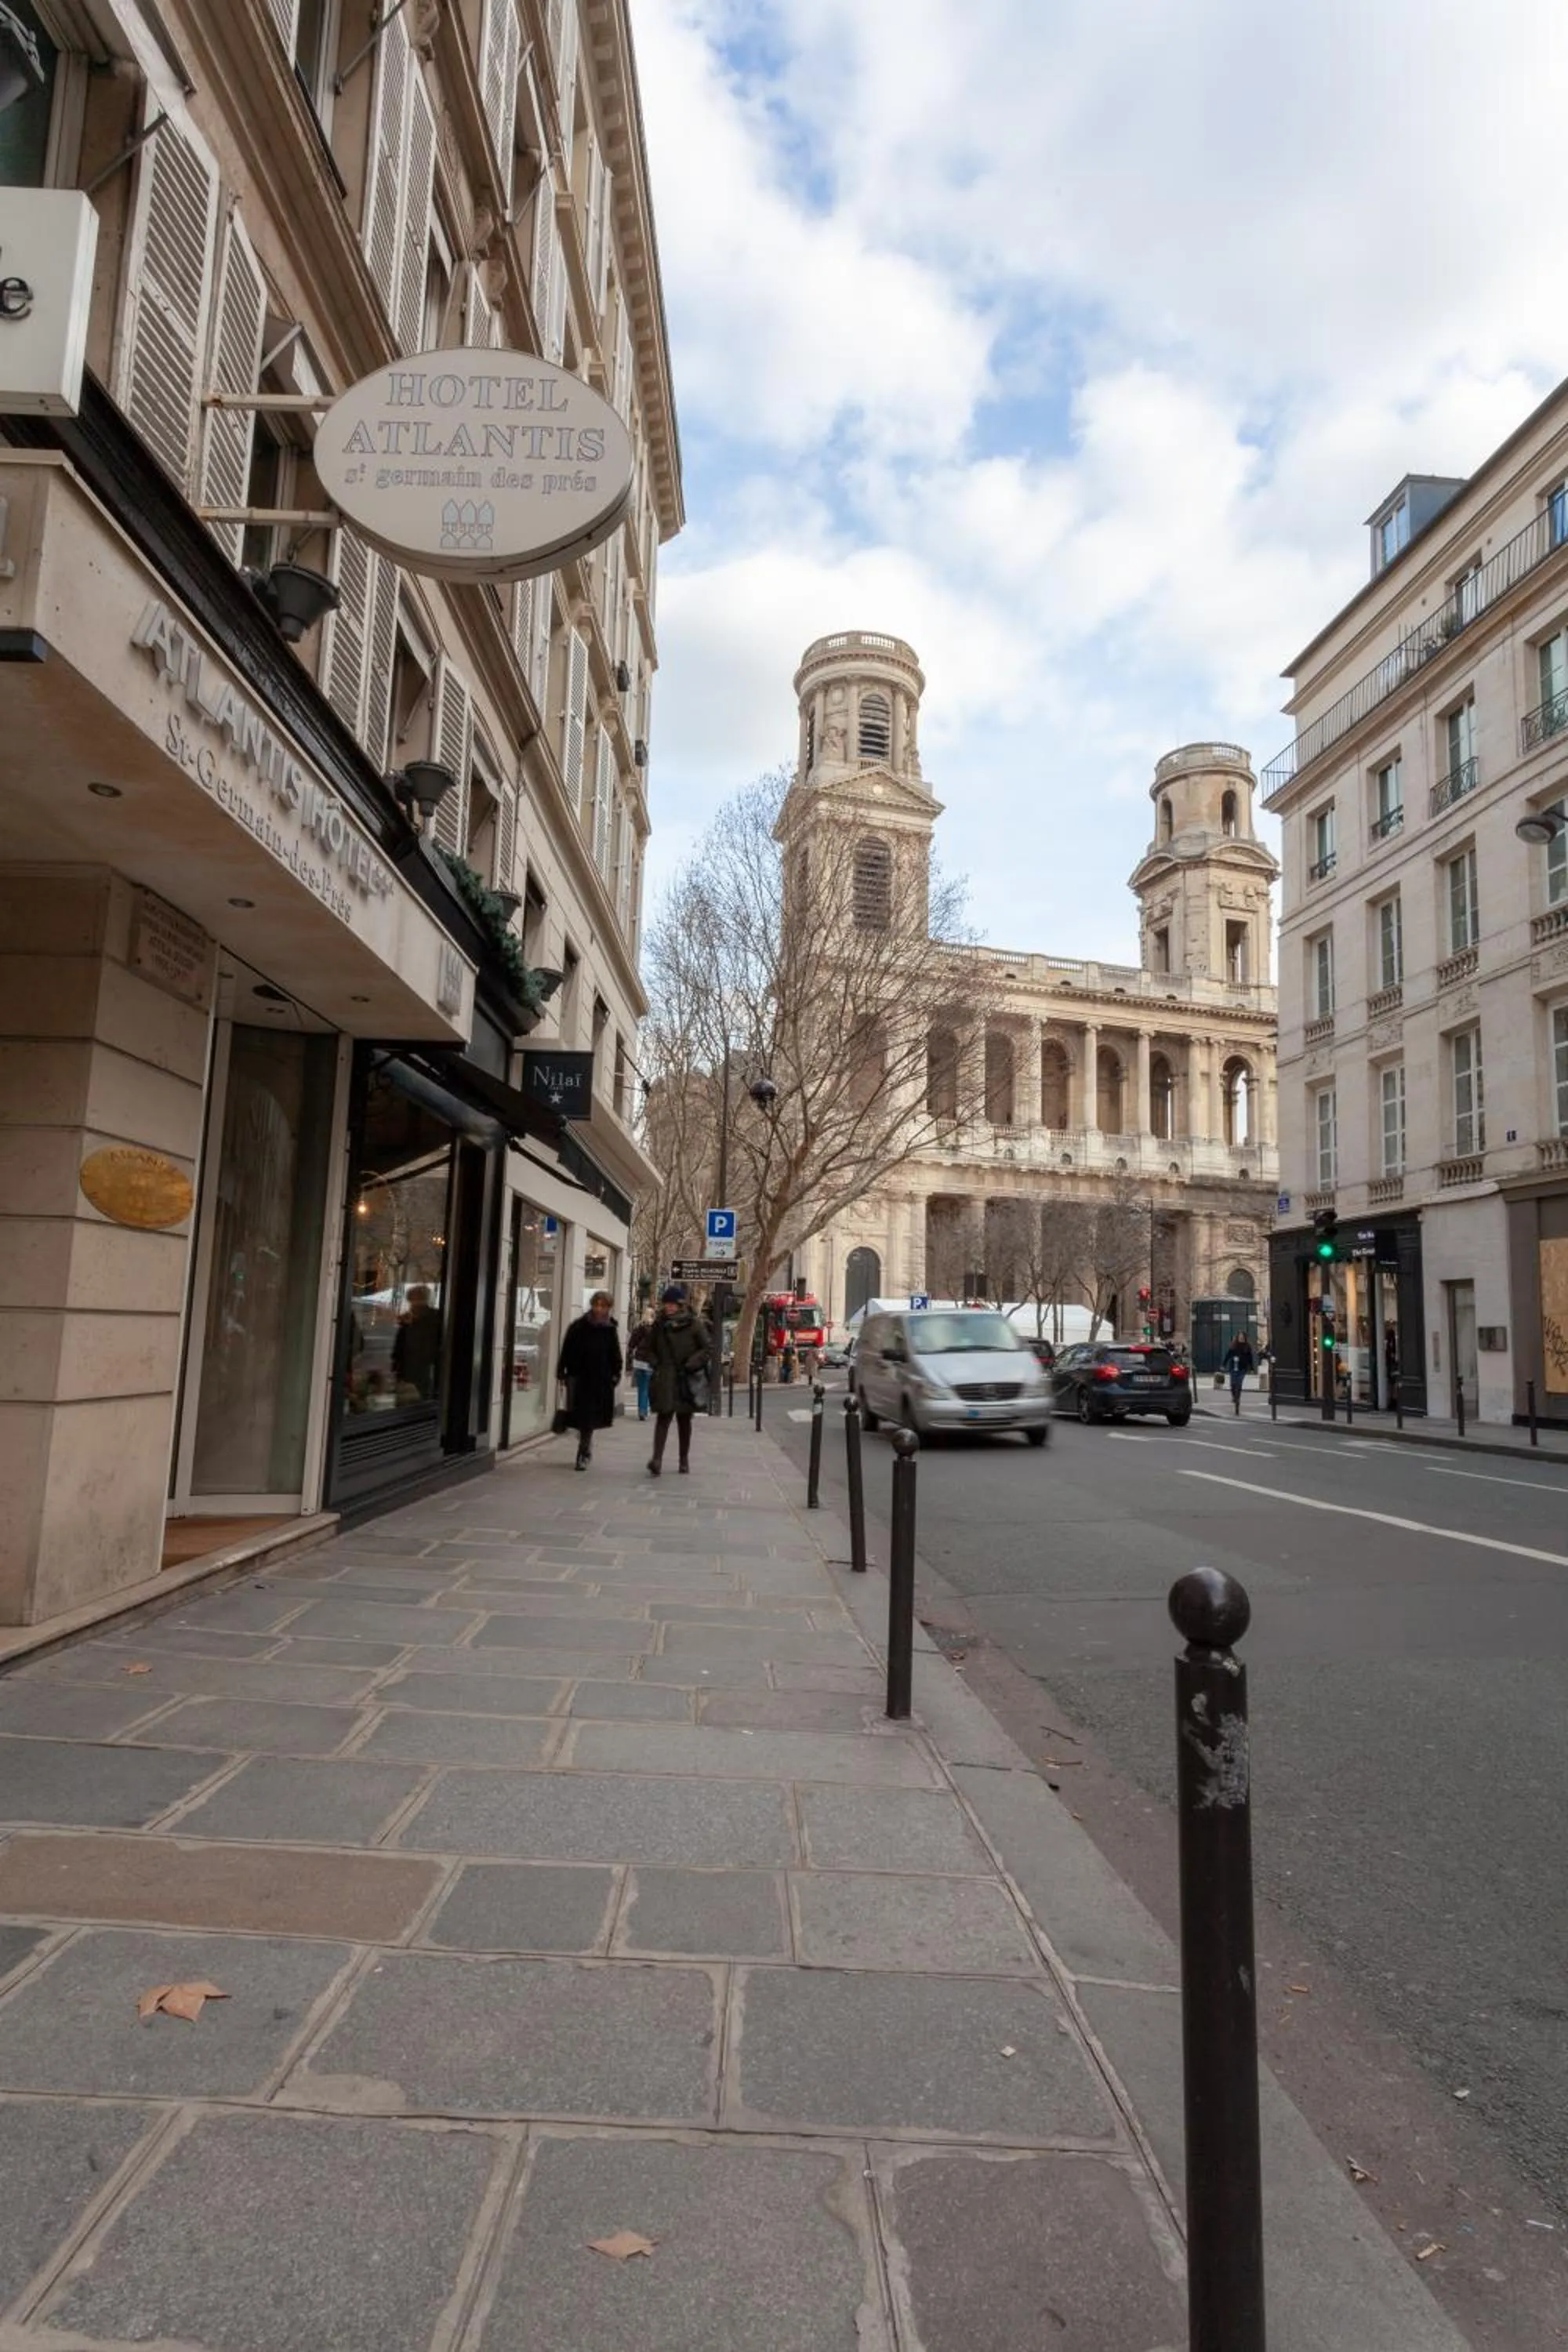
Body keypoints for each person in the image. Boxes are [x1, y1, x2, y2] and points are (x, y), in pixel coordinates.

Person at [646, 1283, 712, 1475]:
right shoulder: (659, 1325)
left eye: (673, 1304)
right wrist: (655, 1363)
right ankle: (657, 1459)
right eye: (667, 1304)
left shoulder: (694, 1324)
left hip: (685, 1378)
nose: (669, 1307)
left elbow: (707, 1348)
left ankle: (683, 1460)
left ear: (681, 1305)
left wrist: (692, 1363)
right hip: (666, 1376)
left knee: (684, 1420)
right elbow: (647, 1348)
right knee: (663, 1417)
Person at [556, 1290, 623, 1470]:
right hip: (579, 1378)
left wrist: (616, 1374)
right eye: (597, 1305)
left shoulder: (610, 1330)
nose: (599, 1309)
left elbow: (615, 1355)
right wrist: (561, 1372)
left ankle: (583, 1452)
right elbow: (567, 1349)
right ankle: (585, 1444)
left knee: (589, 1419)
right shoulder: (579, 1326)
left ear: (608, 1308)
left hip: (599, 1380)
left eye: (603, 1306)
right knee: (581, 1418)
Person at [392, 1284, 441, 1400]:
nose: (414, 1304)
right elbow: (401, 1344)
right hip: (409, 1366)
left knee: (424, 1395)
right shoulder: (409, 1318)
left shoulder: (434, 1318)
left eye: (418, 1300)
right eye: (412, 1300)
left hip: (426, 1367)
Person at [629, 1315, 655, 1421]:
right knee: (648, 1387)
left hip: (639, 1360)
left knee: (642, 1387)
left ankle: (642, 1410)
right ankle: (644, 1410)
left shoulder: (638, 1329)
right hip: (649, 1361)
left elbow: (632, 1344)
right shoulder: (656, 1330)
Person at [1224, 1329, 1256, 1417]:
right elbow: (1228, 1355)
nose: (1241, 1338)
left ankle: (1237, 1402)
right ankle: (1234, 1397)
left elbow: (1250, 1358)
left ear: (1245, 1338)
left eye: (1242, 1337)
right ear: (1237, 1337)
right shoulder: (1234, 1346)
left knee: (1239, 1384)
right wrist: (1223, 1364)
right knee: (1233, 1384)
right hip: (1233, 1368)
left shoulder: (1247, 1347)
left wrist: (1252, 1368)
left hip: (1242, 1368)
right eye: (1240, 1337)